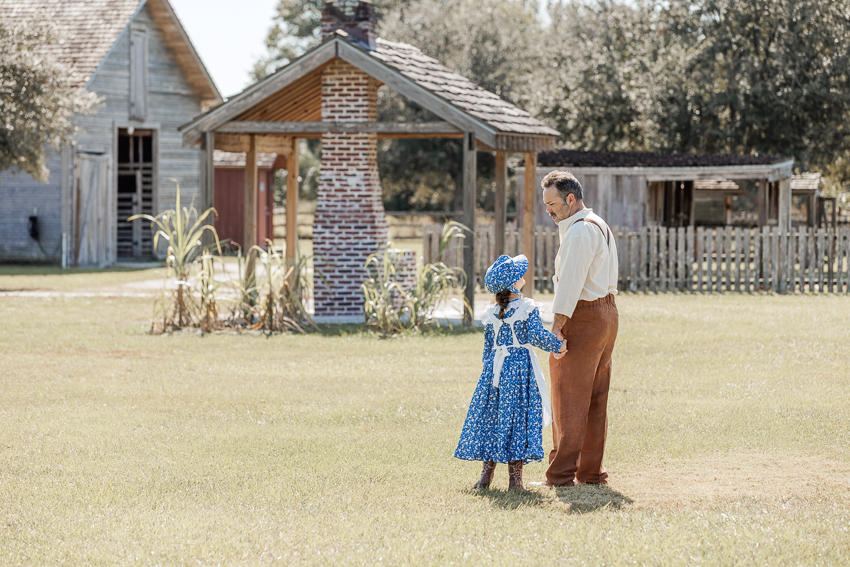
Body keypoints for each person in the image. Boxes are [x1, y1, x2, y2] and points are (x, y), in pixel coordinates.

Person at [532, 170, 619, 488]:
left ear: (571, 199)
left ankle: (560, 475)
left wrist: (557, 328)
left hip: (583, 317)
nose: (548, 210)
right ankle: (590, 472)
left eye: (552, 203)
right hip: (607, 314)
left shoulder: (580, 232)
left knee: (567, 396)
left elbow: (569, 285)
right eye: (545, 204)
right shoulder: (598, 224)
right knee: (595, 397)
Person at [454, 254, 566, 491]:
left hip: (494, 372)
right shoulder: (527, 307)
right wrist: (558, 345)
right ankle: (515, 480)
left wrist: (488, 375)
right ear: (514, 283)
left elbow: (487, 350)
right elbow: (536, 336)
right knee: (518, 418)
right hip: (519, 370)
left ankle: (486, 476)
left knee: (493, 418)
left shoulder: (491, 313)